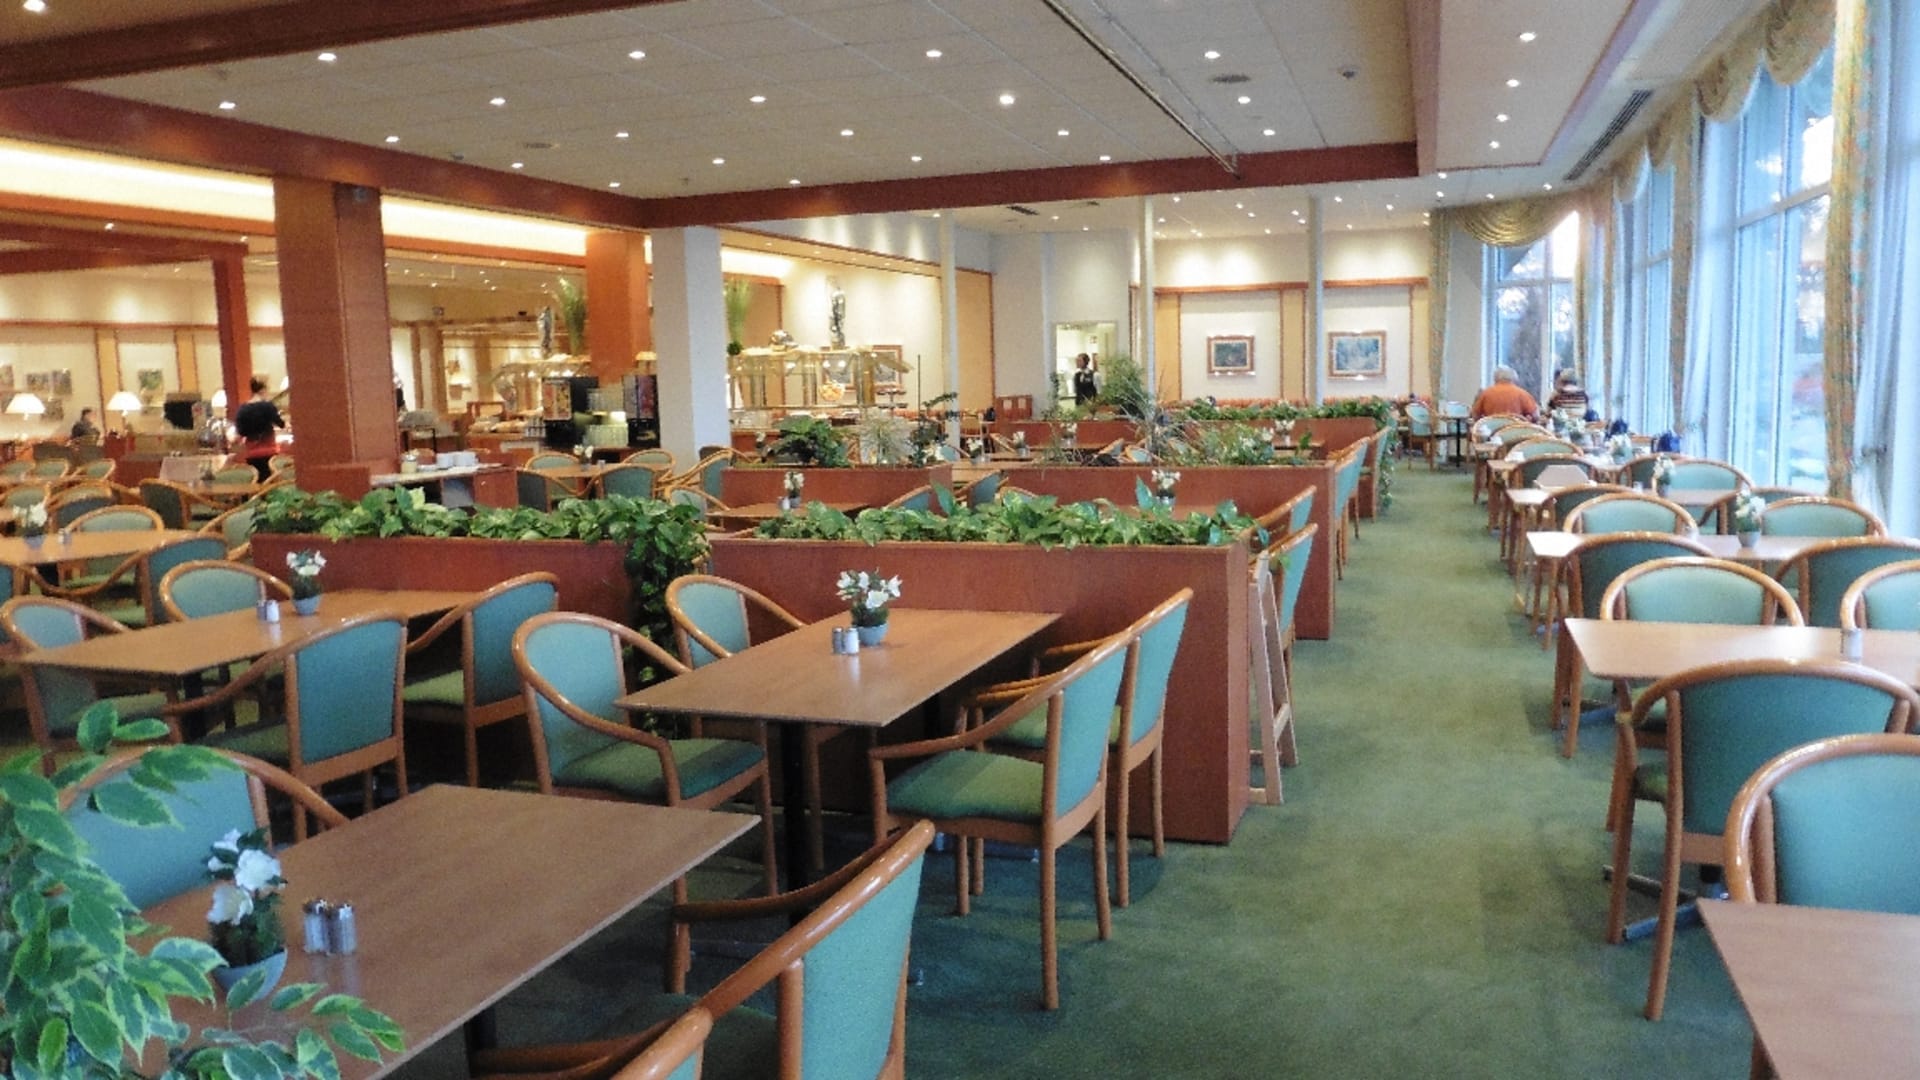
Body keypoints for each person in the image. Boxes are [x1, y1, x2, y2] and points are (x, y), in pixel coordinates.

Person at [232, 377, 285, 480]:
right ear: (262, 391)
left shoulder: (243, 409)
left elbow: (240, 432)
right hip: (269, 450)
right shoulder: (268, 406)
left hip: (252, 452)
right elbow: (281, 424)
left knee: (256, 479)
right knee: (269, 480)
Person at [1469, 365, 1539, 422]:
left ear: (1495, 378)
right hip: (1516, 432)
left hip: (1492, 432)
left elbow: (1475, 415)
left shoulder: (1485, 394)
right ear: (1514, 379)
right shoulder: (1522, 394)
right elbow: (1535, 416)